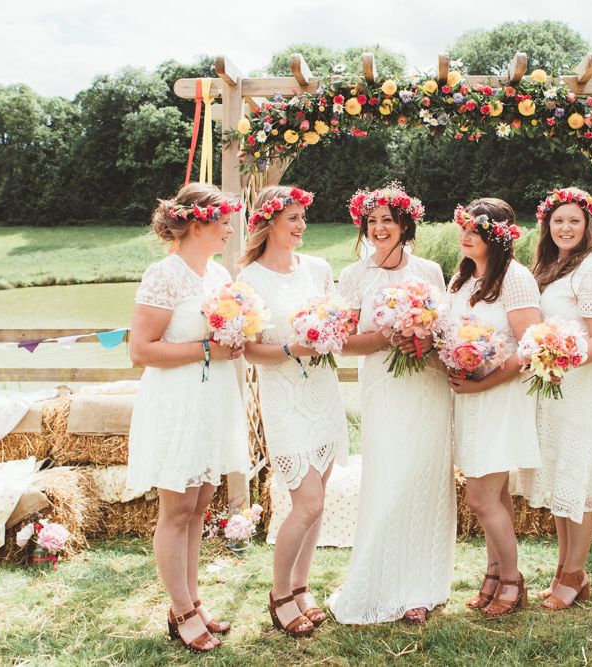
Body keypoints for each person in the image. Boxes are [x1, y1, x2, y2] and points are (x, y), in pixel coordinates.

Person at [126, 182, 249, 653]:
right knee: (176, 510)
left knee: (200, 505)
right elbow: (141, 350)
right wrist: (207, 348)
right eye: (222, 221)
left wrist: (234, 340)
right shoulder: (164, 274)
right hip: (177, 402)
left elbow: (220, 336)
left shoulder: (217, 276)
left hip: (212, 400)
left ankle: (193, 600)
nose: (228, 229)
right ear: (197, 222)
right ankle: (179, 611)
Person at [329, 182, 456, 625]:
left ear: (406, 224)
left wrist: (423, 337)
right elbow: (341, 342)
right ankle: (378, 580)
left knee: (424, 479)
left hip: (428, 387)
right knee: (389, 479)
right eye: (373, 221)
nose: (379, 228)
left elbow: (444, 330)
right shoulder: (354, 276)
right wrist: (390, 334)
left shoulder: (430, 271)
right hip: (383, 387)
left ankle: (422, 587)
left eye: (388, 220)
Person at [238, 185, 349, 637]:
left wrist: (330, 332)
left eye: (304, 217)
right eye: (293, 219)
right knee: (306, 502)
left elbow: (337, 318)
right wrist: (290, 346)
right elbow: (248, 350)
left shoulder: (319, 269)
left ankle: (302, 587)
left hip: (323, 392)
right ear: (268, 223)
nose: (302, 226)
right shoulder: (248, 280)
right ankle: (279, 594)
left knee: (317, 502)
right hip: (283, 397)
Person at [518, 187, 592, 610]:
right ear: (548, 225)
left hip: (582, 389)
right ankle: (566, 571)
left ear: (588, 226)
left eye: (574, 221)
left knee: (578, 478)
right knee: (562, 477)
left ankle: (576, 573)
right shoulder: (551, 266)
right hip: (553, 388)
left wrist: (563, 360)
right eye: (558, 220)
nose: (565, 227)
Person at [447, 199, 541, 617]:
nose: (465, 236)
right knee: (495, 494)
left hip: (500, 395)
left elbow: (529, 346)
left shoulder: (515, 279)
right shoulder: (464, 279)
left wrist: (483, 380)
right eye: (463, 228)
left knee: (481, 498)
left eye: (475, 230)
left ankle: (513, 580)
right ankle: (492, 572)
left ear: (497, 236)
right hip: (470, 395)